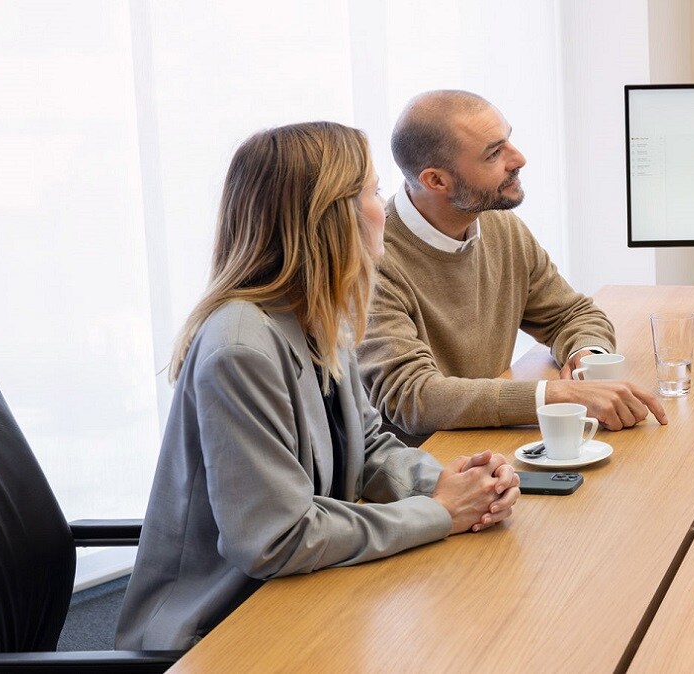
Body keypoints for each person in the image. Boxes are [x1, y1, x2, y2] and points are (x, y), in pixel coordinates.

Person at [115, 122, 520, 651]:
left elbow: (367, 448)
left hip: (302, 590)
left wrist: (454, 484)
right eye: (374, 192)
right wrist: (439, 512)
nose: (385, 208)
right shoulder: (240, 349)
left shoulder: (318, 314)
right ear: (330, 217)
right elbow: (277, 539)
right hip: (218, 628)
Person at [357, 90, 667, 439]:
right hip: (428, 459)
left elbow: (570, 314)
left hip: (493, 444)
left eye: (508, 140)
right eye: (494, 154)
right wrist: (556, 395)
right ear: (436, 181)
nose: (519, 158)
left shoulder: (499, 225)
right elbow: (413, 396)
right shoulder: (371, 260)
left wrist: (586, 354)